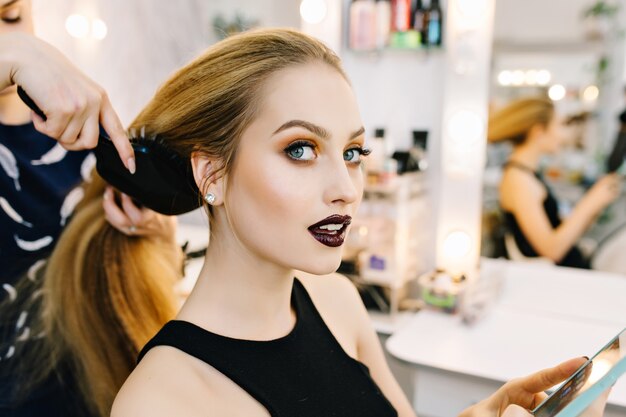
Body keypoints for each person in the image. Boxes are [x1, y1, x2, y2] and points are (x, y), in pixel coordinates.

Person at [107, 29, 608, 417]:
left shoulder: (336, 302)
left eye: (352, 152)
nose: (346, 187)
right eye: (300, 149)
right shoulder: (162, 399)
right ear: (212, 172)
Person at [0, 1, 177, 416]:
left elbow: (161, 273)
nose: (6, 37)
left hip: (97, 396)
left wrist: (151, 234)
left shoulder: (85, 135)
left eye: (11, 17)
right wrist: (19, 51)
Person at [488, 97, 622, 268]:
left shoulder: (528, 174)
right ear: (539, 132)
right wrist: (590, 203)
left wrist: (595, 205)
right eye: (559, 125)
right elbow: (552, 250)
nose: (564, 135)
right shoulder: (519, 181)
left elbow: (562, 232)